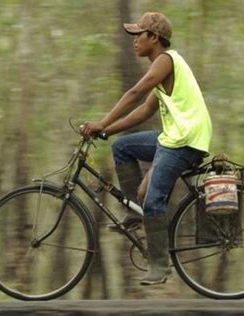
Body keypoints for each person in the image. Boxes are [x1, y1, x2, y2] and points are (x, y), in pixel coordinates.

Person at [81, 12, 212, 285]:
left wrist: (101, 122)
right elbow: (143, 111)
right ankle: (133, 211)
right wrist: (105, 131)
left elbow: (134, 94)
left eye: (138, 35)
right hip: (173, 137)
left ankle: (161, 266)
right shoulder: (163, 70)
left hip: (185, 140)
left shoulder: (166, 61)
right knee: (123, 148)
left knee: (153, 199)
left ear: (154, 38)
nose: (134, 41)